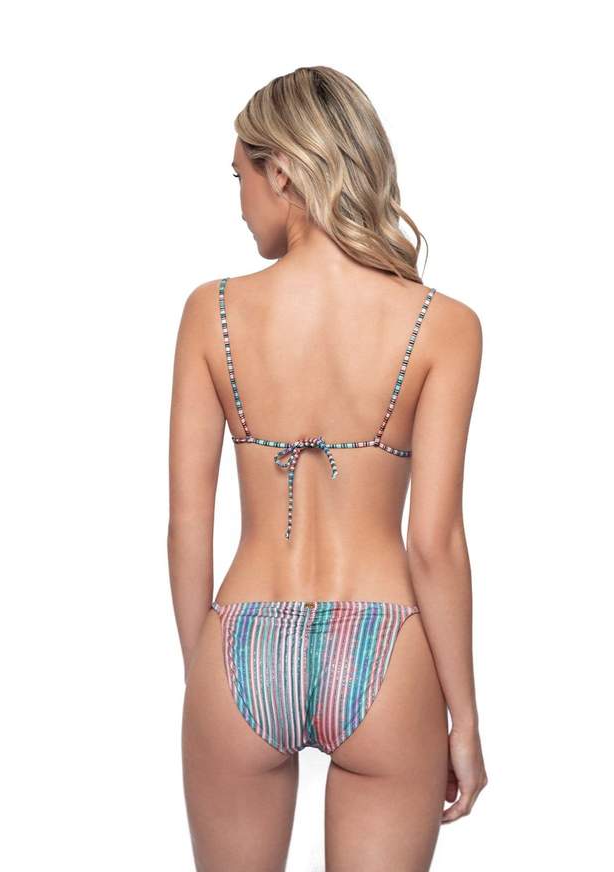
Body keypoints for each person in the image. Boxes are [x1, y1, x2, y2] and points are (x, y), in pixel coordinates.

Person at [168, 65, 487, 871]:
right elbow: (435, 544)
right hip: (385, 648)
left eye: (240, 177)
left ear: (281, 171)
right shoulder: (444, 326)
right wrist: (465, 717)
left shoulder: (211, 312)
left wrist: (204, 678)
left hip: (240, 636)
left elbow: (187, 524)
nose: (239, 202)